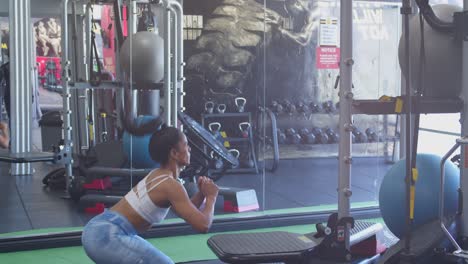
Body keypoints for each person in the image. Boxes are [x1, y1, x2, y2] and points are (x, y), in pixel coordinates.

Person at [81, 126, 220, 264]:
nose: (189, 149)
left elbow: (185, 209)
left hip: (98, 229)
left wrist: (202, 193)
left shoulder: (158, 175)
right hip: (107, 235)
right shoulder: (171, 185)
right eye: (186, 145)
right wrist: (212, 196)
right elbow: (203, 225)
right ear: (174, 153)